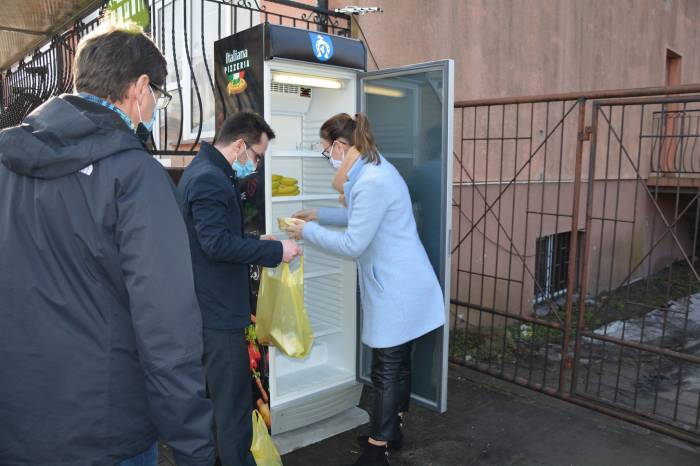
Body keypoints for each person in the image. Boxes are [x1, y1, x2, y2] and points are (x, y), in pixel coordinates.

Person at [0, 22, 215, 466]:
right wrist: (195, 445)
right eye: (159, 94)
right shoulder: (137, 177)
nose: (156, 105)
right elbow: (167, 330)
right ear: (139, 89)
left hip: (17, 425)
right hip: (107, 432)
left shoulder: (8, 163)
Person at [286, 113, 445, 466]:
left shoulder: (371, 180)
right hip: (401, 281)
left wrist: (304, 232)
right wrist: (318, 214)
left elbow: (353, 243)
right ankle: (392, 432)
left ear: (341, 146)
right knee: (398, 364)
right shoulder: (372, 170)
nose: (328, 156)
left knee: (387, 368)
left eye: (327, 150)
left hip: (398, 288)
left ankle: (376, 449)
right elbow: (359, 216)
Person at [177, 111, 301, 466]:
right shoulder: (210, 179)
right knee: (232, 413)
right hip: (217, 314)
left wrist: (254, 239)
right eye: (257, 155)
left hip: (207, 308)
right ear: (240, 146)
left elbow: (211, 238)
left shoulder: (204, 171)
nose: (257, 164)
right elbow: (216, 245)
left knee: (218, 407)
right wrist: (275, 251)